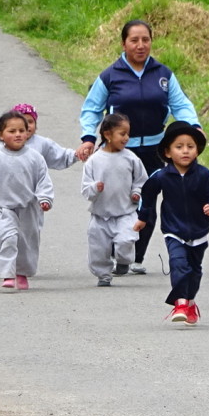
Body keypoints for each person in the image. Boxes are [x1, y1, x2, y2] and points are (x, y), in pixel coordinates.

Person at [77, 19, 202, 274]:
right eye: (134, 40)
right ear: (124, 43)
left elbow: (181, 104)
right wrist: (88, 137)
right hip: (119, 152)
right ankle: (113, 251)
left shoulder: (163, 74)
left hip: (155, 151)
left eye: (145, 39)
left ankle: (135, 257)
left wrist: (193, 125)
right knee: (118, 202)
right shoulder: (110, 76)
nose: (140, 45)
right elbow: (91, 108)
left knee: (146, 202)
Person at [135, 121, 209, 325]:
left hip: (199, 231)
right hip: (173, 230)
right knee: (178, 264)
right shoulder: (161, 176)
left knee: (194, 270)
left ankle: (190, 302)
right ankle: (181, 303)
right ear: (167, 152)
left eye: (190, 147)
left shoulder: (204, 174)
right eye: (179, 146)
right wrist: (142, 218)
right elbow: (146, 195)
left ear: (197, 150)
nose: (185, 151)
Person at [0, 110, 54, 291]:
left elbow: (43, 180)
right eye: (12, 131)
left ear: (27, 133)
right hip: (5, 207)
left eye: (21, 130)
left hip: (29, 208)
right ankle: (8, 274)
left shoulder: (35, 158)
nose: (18, 134)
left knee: (26, 242)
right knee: (6, 237)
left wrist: (44, 198)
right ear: (1, 135)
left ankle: (22, 273)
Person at [81, 113, 148, 287]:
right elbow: (86, 189)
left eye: (127, 133)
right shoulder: (94, 161)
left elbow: (142, 180)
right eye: (122, 134)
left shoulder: (131, 158)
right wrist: (95, 188)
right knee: (98, 249)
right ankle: (103, 275)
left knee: (126, 240)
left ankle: (124, 261)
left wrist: (136, 192)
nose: (126, 138)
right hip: (100, 215)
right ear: (108, 135)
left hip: (126, 212)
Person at [11, 103, 78, 170]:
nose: (27, 125)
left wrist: (78, 154)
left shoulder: (41, 143)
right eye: (22, 122)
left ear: (36, 125)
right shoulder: (7, 144)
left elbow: (61, 155)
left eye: (30, 122)